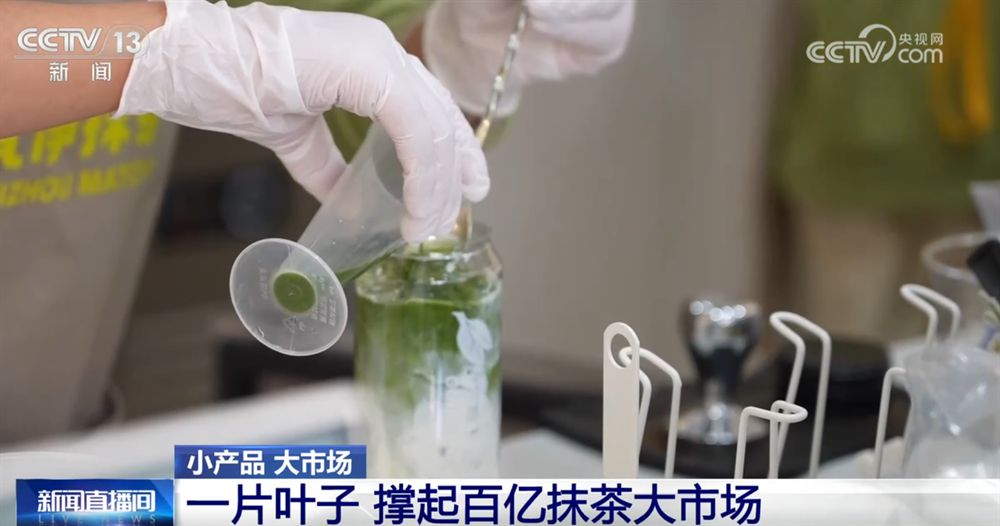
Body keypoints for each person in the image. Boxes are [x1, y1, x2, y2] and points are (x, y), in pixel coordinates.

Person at [0, 0, 634, 444]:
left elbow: (351, 87)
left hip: (57, 454)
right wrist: (160, 52)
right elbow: (232, 54)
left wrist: (455, 54)